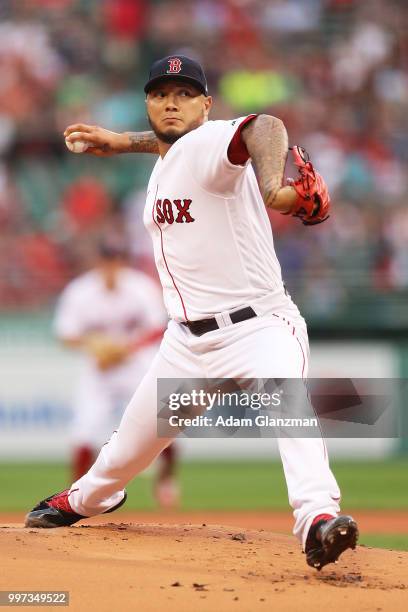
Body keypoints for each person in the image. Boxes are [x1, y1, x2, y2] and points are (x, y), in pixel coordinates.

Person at [25, 55, 358, 570]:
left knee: (288, 405)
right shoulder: (172, 155)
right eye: (161, 94)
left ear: (207, 105)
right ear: (148, 103)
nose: (171, 102)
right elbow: (167, 142)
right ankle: (89, 499)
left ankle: (317, 518)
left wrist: (273, 185)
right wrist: (121, 142)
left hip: (259, 327)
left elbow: (263, 126)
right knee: (127, 450)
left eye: (184, 94)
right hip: (188, 345)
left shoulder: (211, 144)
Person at [54, 237, 179, 508]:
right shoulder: (80, 291)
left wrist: (126, 348)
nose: (112, 265)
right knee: (84, 430)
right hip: (101, 369)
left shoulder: (140, 288)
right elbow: (65, 334)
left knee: (163, 420)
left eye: (116, 259)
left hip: (136, 364)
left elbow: (160, 327)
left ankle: (167, 480)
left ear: (122, 261)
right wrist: (95, 346)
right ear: (98, 262)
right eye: (107, 260)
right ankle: (74, 498)